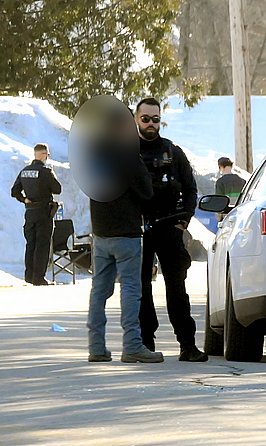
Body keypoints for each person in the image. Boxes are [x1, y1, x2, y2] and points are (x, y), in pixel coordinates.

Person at [86, 108, 164, 363]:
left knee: (99, 290)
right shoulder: (128, 154)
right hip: (126, 233)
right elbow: (146, 192)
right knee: (131, 289)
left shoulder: (93, 153)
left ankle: (96, 347)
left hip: (101, 231)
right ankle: (132, 345)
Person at [135, 97, 208, 362]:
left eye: (155, 119)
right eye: (145, 119)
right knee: (141, 288)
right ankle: (146, 343)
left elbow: (190, 190)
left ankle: (187, 345)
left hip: (169, 226)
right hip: (139, 229)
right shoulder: (127, 152)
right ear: (136, 119)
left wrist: (183, 222)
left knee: (176, 287)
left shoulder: (173, 152)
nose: (151, 124)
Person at [11, 143, 62, 286]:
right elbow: (57, 189)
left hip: (30, 213)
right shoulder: (46, 171)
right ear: (43, 155)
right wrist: (52, 174)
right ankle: (39, 277)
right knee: (42, 245)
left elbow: (14, 191)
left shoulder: (24, 171)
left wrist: (24, 199)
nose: (48, 157)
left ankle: (29, 276)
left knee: (30, 244)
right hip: (43, 213)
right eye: (47, 154)